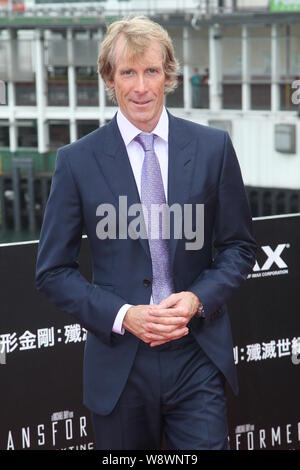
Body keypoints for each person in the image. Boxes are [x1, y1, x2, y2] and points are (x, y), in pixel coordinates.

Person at [35, 16, 256, 450]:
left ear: (168, 76)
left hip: (196, 353)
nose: (140, 86)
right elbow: (52, 271)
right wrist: (124, 316)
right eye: (128, 72)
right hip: (120, 362)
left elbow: (238, 247)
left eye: (151, 71)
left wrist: (197, 298)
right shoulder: (76, 162)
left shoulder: (213, 149)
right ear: (109, 80)